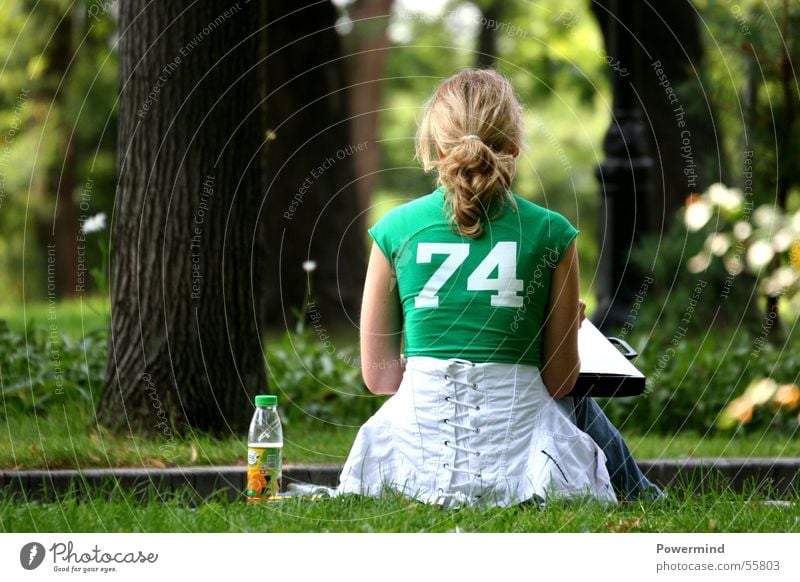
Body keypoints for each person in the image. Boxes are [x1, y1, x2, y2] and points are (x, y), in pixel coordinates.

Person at [336, 68, 660, 507]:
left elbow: (379, 379)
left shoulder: (394, 230)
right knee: (572, 403)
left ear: (436, 149)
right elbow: (562, 381)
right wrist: (557, 327)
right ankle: (644, 494)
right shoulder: (553, 233)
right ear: (514, 148)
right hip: (523, 464)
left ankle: (646, 494)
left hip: (416, 464)